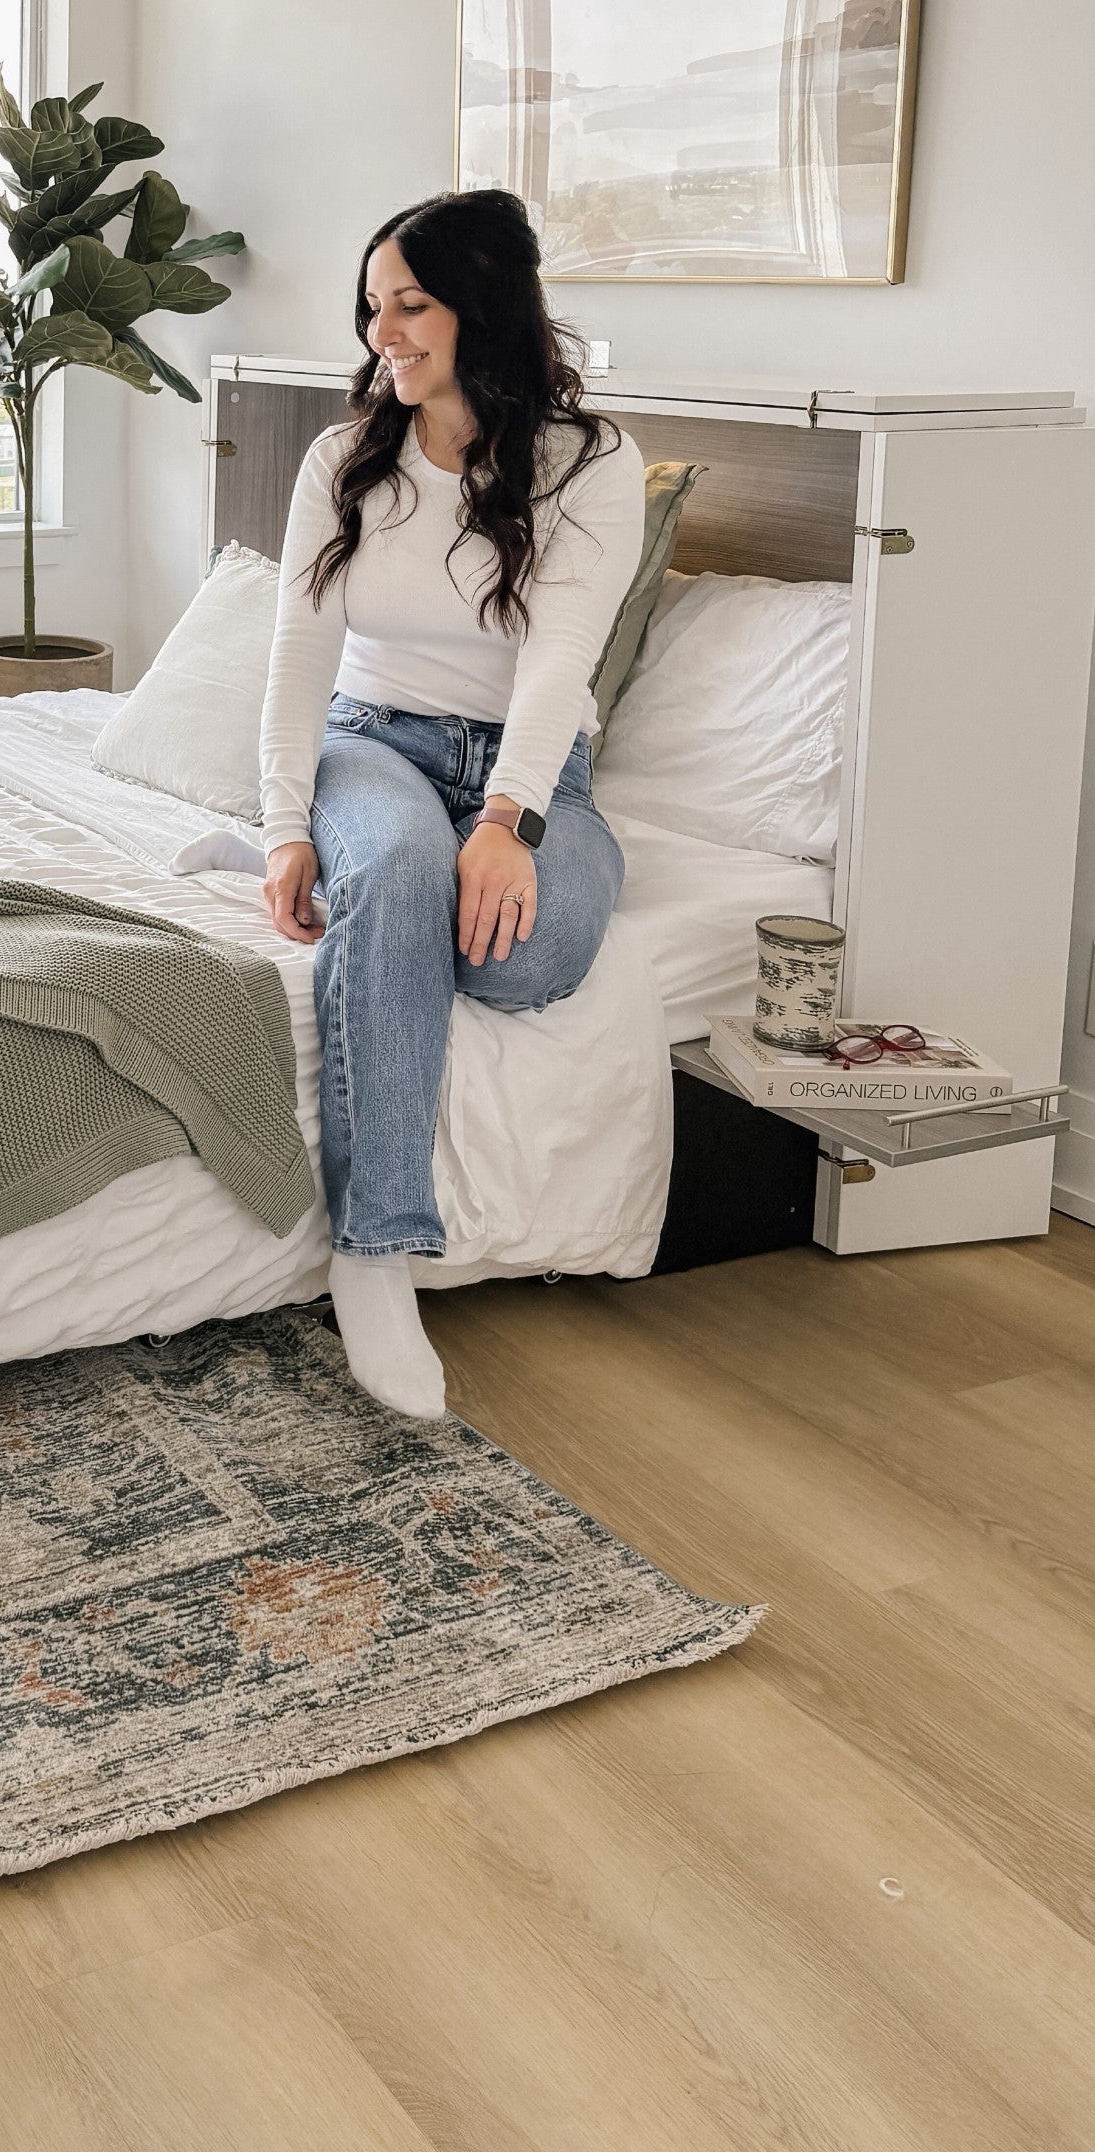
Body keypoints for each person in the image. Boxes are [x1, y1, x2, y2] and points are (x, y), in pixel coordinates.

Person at [259, 189, 644, 1418]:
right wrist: (283, 825)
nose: (381, 333)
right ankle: (374, 1253)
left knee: (517, 961)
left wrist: (507, 822)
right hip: (374, 743)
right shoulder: (342, 462)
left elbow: (558, 658)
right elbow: (299, 660)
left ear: (483, 307)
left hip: (532, 770)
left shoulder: (588, 464)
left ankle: (393, 882)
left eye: (410, 305)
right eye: (373, 306)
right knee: (400, 873)